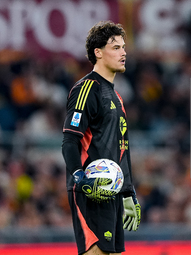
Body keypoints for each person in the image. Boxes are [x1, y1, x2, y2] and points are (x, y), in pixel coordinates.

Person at [62, 21, 141, 255]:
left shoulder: (117, 96)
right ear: (98, 52)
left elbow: (122, 149)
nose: (124, 52)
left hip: (113, 191)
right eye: (115, 47)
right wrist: (79, 177)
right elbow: (69, 140)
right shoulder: (86, 89)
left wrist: (128, 193)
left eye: (124, 47)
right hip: (91, 188)